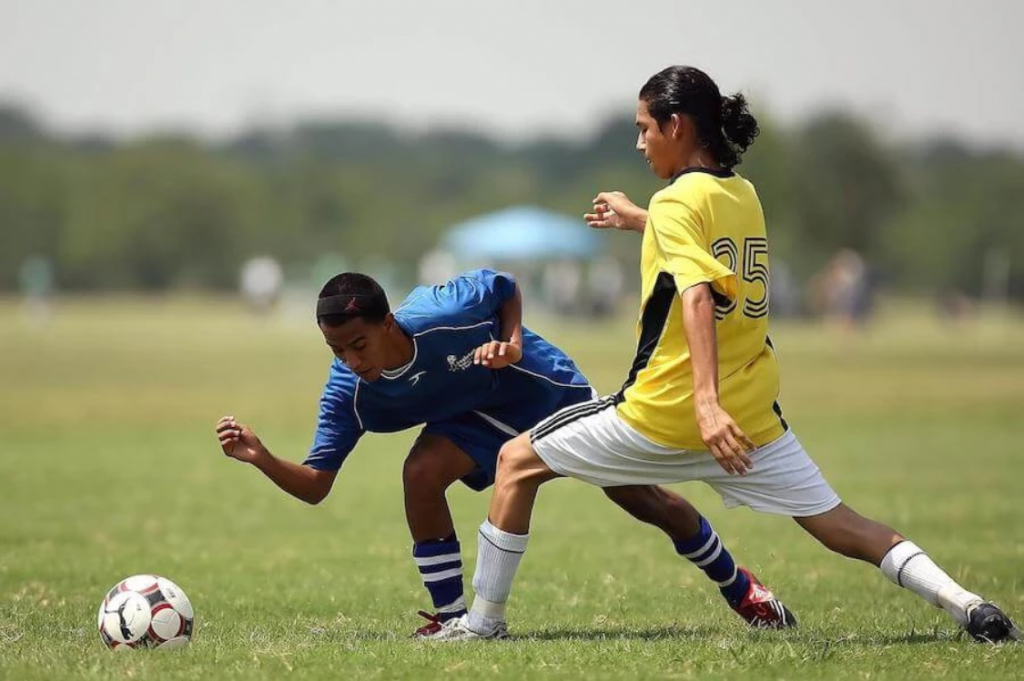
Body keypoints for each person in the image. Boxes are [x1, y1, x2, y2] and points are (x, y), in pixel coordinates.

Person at [436, 66, 1020, 643]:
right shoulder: (742, 193)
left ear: (677, 126)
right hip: (751, 423)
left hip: (663, 414)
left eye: (644, 128)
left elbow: (697, 293)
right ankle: (969, 606)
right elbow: (710, 257)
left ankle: (482, 625)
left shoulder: (673, 201)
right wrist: (640, 219)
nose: (639, 143)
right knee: (841, 525)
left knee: (516, 462)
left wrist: (705, 403)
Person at [214, 268, 795, 639]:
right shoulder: (350, 393)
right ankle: (451, 619)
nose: (350, 359)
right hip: (471, 422)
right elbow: (317, 483)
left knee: (639, 498)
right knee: (420, 473)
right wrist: (262, 456)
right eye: (336, 349)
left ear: (389, 321)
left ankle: (741, 587)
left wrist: (512, 344)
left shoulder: (445, 311)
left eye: (358, 344)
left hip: (541, 388)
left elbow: (505, 287)